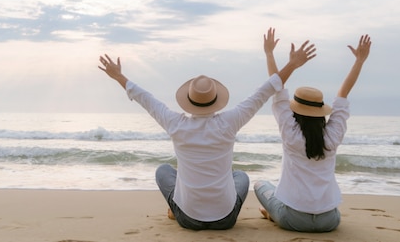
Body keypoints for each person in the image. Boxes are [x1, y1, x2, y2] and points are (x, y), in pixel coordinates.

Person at [97, 30, 316, 231]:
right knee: (240, 176)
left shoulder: (175, 123)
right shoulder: (230, 121)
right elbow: (264, 91)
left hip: (187, 219)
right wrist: (291, 64)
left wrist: (119, 77)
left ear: (188, 101)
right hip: (225, 220)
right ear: (216, 100)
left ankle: (175, 209)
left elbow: (146, 99)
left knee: (163, 171)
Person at [254, 33, 372, 233]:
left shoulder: (291, 135)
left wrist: (269, 53)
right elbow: (343, 95)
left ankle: (274, 213)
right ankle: (275, 213)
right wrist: (359, 61)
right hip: (329, 221)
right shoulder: (332, 137)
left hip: (293, 220)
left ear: (295, 112)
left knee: (260, 185)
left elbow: (277, 89)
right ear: (321, 113)